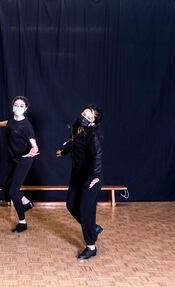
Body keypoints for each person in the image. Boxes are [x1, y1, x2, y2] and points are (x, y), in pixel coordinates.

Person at [0, 96, 39, 233]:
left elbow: (35, 145)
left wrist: (33, 150)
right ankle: (26, 202)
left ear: (25, 109)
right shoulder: (12, 120)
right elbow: (8, 123)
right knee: (1, 183)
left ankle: (22, 222)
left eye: (21, 106)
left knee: (13, 191)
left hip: (24, 159)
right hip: (12, 157)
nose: (18, 107)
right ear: (12, 106)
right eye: (16, 104)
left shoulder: (27, 126)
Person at [56, 104, 104, 260]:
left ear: (92, 123)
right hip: (77, 174)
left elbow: (97, 155)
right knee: (70, 205)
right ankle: (93, 227)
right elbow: (73, 143)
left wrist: (96, 175)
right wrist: (63, 152)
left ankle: (91, 246)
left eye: (89, 117)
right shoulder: (78, 129)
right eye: (84, 113)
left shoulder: (93, 135)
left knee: (85, 211)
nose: (84, 117)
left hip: (90, 178)